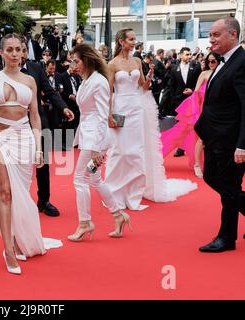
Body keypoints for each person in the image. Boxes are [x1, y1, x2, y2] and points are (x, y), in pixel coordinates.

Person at [0, 33, 62, 275]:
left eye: (19, 49)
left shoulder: (30, 81)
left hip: (25, 139)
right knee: (5, 193)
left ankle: (17, 239)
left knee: (21, 194)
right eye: (10, 50)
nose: (15, 54)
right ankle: (8, 249)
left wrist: (38, 147)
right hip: (1, 139)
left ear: (24, 52)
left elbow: (34, 116)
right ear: (2, 52)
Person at [105, 28, 197, 211]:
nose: (133, 42)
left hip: (137, 109)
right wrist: (108, 115)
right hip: (120, 109)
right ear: (121, 41)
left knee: (137, 151)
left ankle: (133, 194)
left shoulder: (138, 61)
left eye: (134, 38)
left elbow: (144, 88)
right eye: (130, 39)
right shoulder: (112, 64)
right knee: (120, 151)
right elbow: (108, 92)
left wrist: (148, 77)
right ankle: (114, 191)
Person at [68, 44, 131, 242]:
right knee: (94, 180)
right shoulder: (87, 80)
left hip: (95, 139)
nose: (73, 65)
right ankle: (118, 215)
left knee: (80, 179)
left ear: (86, 59)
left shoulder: (99, 82)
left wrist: (97, 148)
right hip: (88, 135)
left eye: (76, 61)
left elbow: (104, 113)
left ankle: (84, 223)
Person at [195, 17, 245, 252]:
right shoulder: (224, 61)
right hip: (215, 137)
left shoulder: (242, 62)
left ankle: (226, 238)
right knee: (212, 178)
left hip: (231, 139)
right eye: (211, 34)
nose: (211, 39)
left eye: (216, 34)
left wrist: (242, 145)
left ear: (232, 35)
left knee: (228, 188)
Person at [19, 37, 75, 217]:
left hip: (38, 122)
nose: (20, 54)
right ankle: (20, 202)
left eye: (23, 50)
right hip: (16, 124)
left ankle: (44, 200)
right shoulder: (3, 72)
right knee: (20, 164)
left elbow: (49, 91)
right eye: (16, 50)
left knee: (42, 163)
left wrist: (63, 107)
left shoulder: (35, 68)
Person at [161, 52, 221, 178]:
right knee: (198, 138)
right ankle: (197, 165)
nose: (210, 64)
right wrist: (192, 99)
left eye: (213, 61)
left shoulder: (222, 74)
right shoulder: (204, 74)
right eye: (208, 61)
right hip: (202, 111)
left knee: (214, 140)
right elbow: (197, 92)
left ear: (219, 61)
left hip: (218, 112)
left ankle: (213, 165)